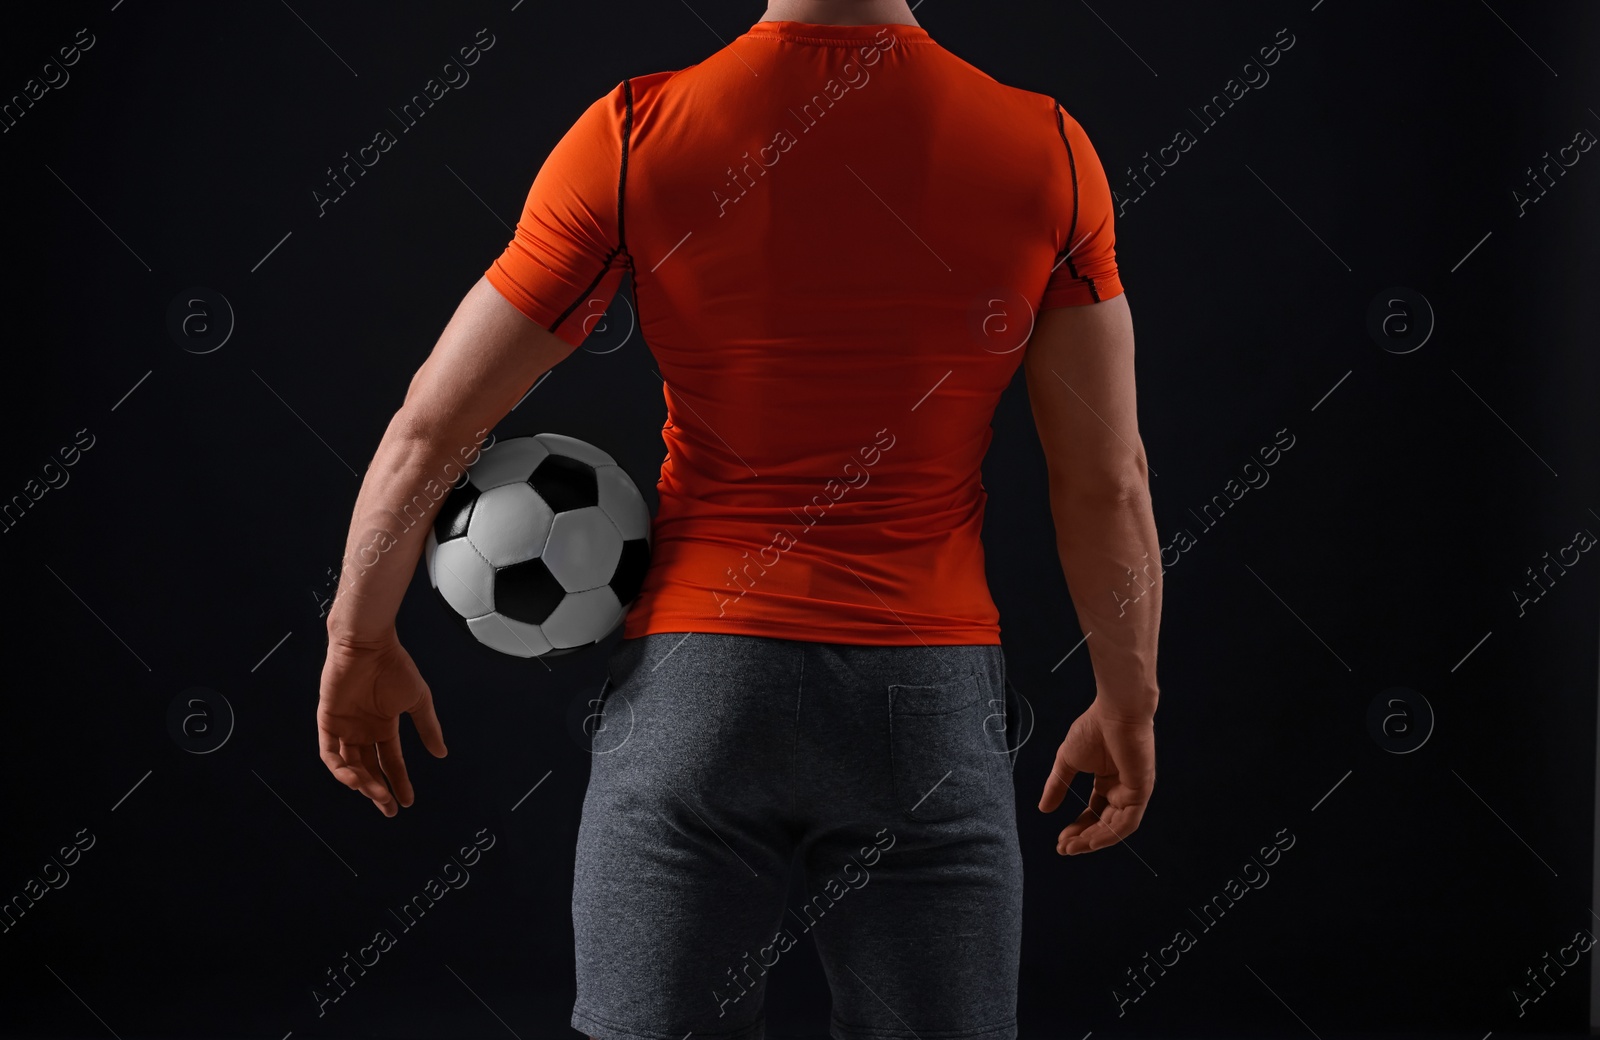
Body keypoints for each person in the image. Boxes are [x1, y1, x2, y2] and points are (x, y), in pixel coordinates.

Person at [316, 0, 1161, 1036]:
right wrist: (1129, 695)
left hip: (699, 691)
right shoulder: (1047, 148)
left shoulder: (635, 133)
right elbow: (1104, 478)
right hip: (925, 702)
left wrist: (360, 631)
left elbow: (428, 427)